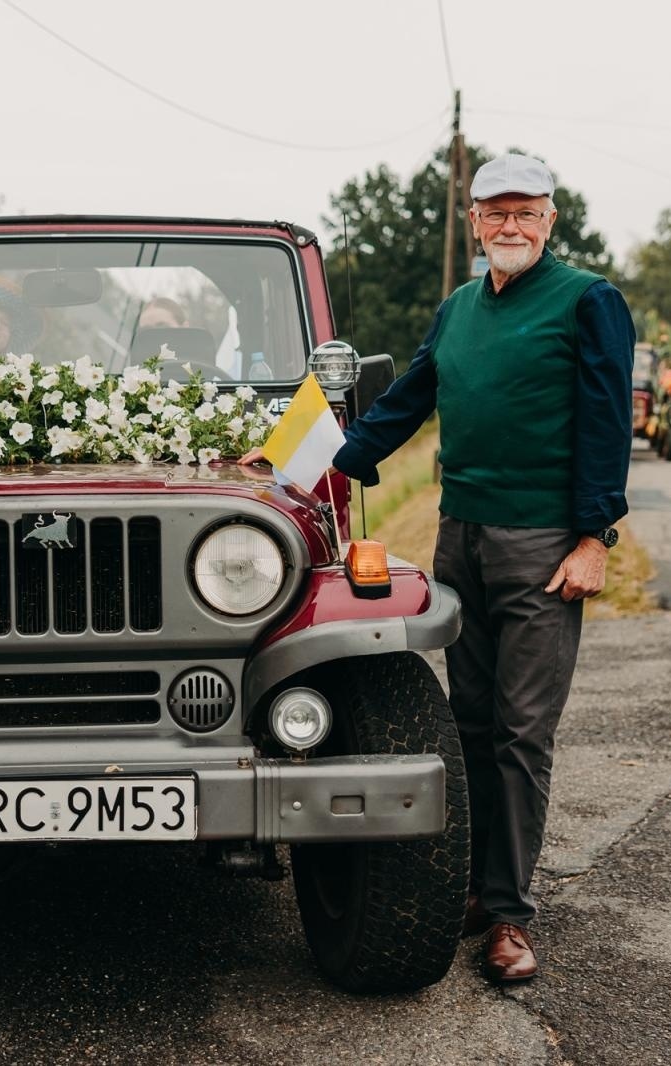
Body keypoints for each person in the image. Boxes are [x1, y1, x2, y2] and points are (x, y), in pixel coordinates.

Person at [243, 152, 635, 984]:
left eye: (527, 212)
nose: (511, 226)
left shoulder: (587, 300)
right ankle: (475, 891)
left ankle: (508, 916)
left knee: (524, 735)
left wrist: (595, 536)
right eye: (495, 212)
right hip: (463, 537)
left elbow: (605, 423)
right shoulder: (458, 308)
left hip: (543, 544)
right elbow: (406, 402)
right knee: (471, 726)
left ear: (551, 219)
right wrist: (298, 465)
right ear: (474, 222)